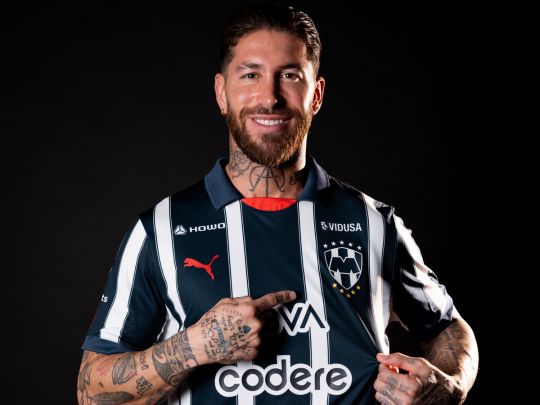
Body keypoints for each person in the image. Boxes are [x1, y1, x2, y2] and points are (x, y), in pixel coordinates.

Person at [77, 4, 478, 405]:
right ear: (222, 93)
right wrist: (194, 346)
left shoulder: (373, 222)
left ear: (316, 95)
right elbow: (91, 392)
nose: (269, 98)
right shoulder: (161, 229)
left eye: (289, 76)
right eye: (250, 75)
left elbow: (447, 328)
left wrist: (449, 385)